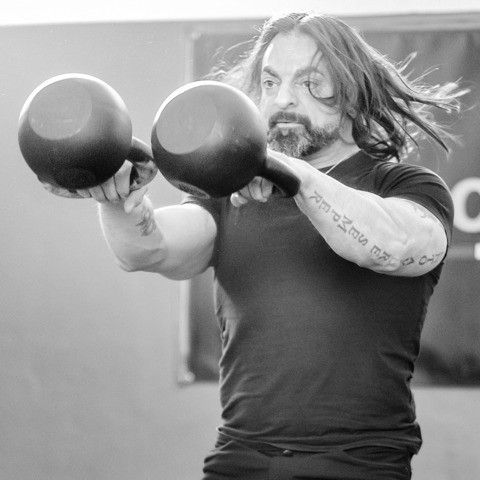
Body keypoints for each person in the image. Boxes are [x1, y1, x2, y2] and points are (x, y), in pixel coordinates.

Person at [75, 12, 465, 480]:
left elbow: (393, 245)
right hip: (239, 461)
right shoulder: (228, 196)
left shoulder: (404, 186)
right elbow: (149, 250)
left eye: (309, 82)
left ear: (352, 94)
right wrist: (120, 202)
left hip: (359, 465)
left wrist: (294, 175)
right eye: (271, 80)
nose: (283, 99)